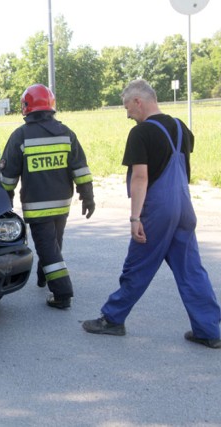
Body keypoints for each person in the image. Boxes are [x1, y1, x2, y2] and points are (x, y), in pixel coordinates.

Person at [82, 79, 221, 348]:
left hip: (158, 210)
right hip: (183, 206)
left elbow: (141, 177)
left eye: (127, 108)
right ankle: (209, 330)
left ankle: (112, 319)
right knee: (192, 270)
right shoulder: (181, 127)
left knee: (138, 265)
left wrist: (135, 218)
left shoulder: (141, 133)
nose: (127, 115)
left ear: (138, 101)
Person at [0, 83, 95, 309]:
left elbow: (8, 177)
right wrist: (87, 196)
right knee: (53, 244)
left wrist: (4, 202)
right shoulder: (66, 134)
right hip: (62, 204)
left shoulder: (21, 135)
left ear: (26, 107)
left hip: (37, 206)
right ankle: (45, 275)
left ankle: (62, 293)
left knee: (47, 248)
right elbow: (80, 168)